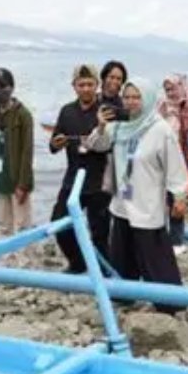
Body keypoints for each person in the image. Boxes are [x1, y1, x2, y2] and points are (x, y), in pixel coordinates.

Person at [86, 78, 188, 314]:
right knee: (122, 251)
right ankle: (124, 296)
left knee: (154, 253)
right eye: (127, 97)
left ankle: (170, 302)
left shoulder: (159, 129)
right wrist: (101, 126)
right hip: (122, 201)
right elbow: (97, 145)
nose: (131, 102)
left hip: (147, 201)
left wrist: (180, 196)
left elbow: (175, 166)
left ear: (148, 99)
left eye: (136, 97)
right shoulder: (120, 126)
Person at [49, 64, 111, 274]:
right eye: (81, 84)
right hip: (73, 179)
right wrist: (56, 143)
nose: (85, 88)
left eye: (89, 84)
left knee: (100, 232)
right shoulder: (67, 111)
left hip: (99, 181)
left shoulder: (105, 111)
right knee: (59, 225)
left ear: (97, 85)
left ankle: (105, 273)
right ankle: (78, 263)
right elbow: (53, 144)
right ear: (74, 86)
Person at [0, 68, 34, 235]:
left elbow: (27, 151)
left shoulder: (22, 115)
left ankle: (25, 260)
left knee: (22, 226)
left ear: (11, 87)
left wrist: (23, 184)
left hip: (18, 180)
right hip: (0, 180)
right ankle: (8, 260)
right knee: (4, 226)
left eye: (2, 86)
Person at [158, 73, 188, 254]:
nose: (171, 92)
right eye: (167, 89)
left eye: (173, 88)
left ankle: (176, 240)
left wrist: (186, 103)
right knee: (158, 199)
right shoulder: (161, 105)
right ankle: (159, 236)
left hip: (178, 159)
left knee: (177, 199)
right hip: (160, 158)